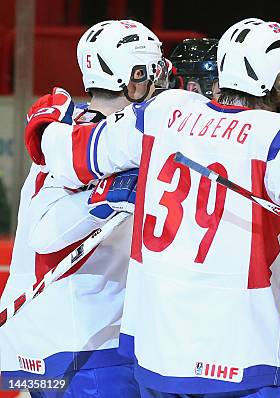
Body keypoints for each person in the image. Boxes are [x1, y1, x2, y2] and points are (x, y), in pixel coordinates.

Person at [23, 18, 280, 398]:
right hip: (241, 352)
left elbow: (73, 154)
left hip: (158, 351)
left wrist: (45, 126)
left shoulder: (164, 111)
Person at [0, 19, 166, 397]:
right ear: (134, 75)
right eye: (153, 69)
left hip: (46, 347)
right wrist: (103, 199)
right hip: (87, 346)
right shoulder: (89, 140)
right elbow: (45, 233)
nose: (159, 80)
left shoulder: (69, 131)